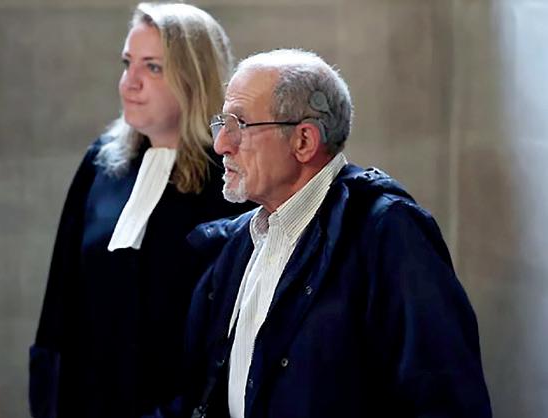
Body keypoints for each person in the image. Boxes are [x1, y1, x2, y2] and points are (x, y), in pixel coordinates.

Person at [173, 49, 492, 417]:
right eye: (222, 123)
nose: (221, 144)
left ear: (304, 141)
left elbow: (446, 400)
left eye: (240, 124)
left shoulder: (389, 233)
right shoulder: (240, 242)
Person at [29, 3, 252, 418]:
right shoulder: (102, 163)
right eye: (127, 63)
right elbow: (60, 301)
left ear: (194, 78)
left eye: (152, 67)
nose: (129, 82)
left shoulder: (232, 182)